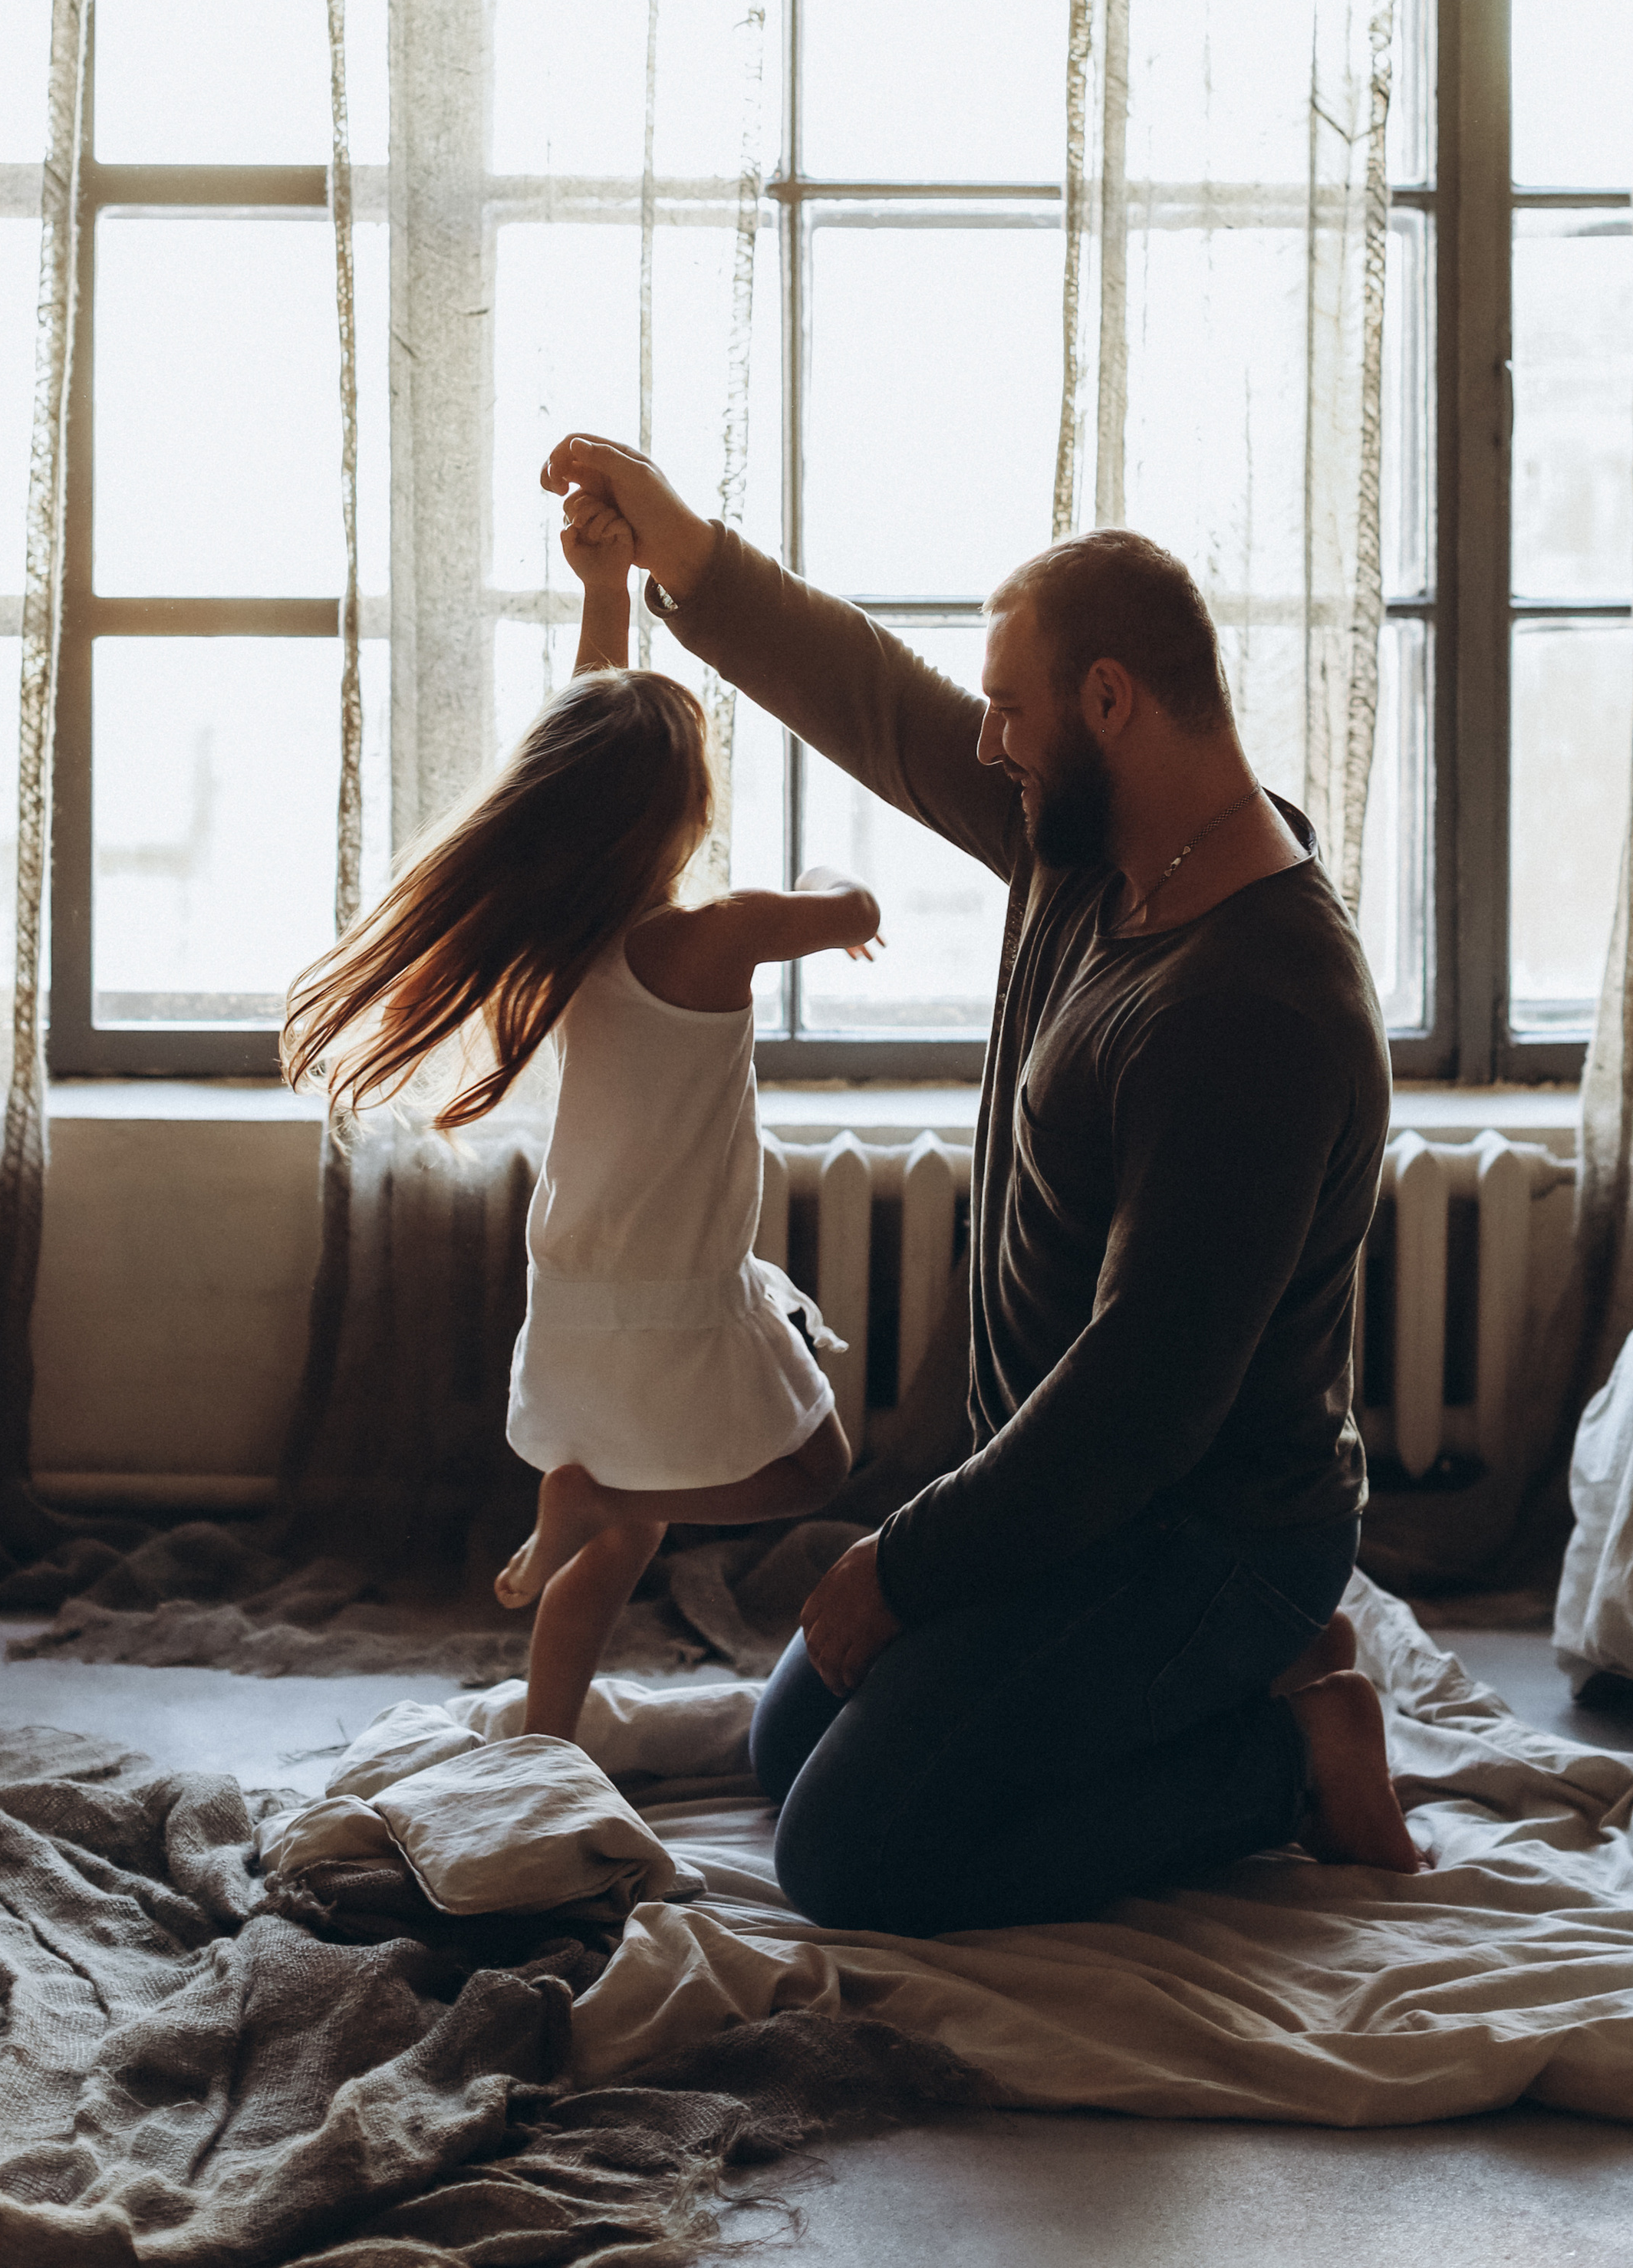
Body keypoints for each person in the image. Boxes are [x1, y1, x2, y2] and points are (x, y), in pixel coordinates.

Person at [538, 430, 1424, 1937]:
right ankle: (1203, 1710)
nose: (989, 744)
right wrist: (674, 549)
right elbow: (877, 704)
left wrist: (906, 1558)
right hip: (1074, 1508)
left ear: (1107, 702)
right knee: (781, 1747)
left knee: (847, 1862)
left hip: (1198, 1540)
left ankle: (1284, 1747)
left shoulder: (1253, 1012)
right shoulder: (1096, 846)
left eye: (1012, 711)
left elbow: (1142, 1401)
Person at [281, 492, 882, 1743]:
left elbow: (588, 750)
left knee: (621, 1539)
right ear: (689, 820)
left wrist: (608, 601)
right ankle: (588, 1494)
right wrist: (821, 884)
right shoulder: (716, 939)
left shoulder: (570, 935)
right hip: (674, 1287)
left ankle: (548, 1732)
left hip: (578, 1286)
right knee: (819, 1469)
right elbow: (856, 905)